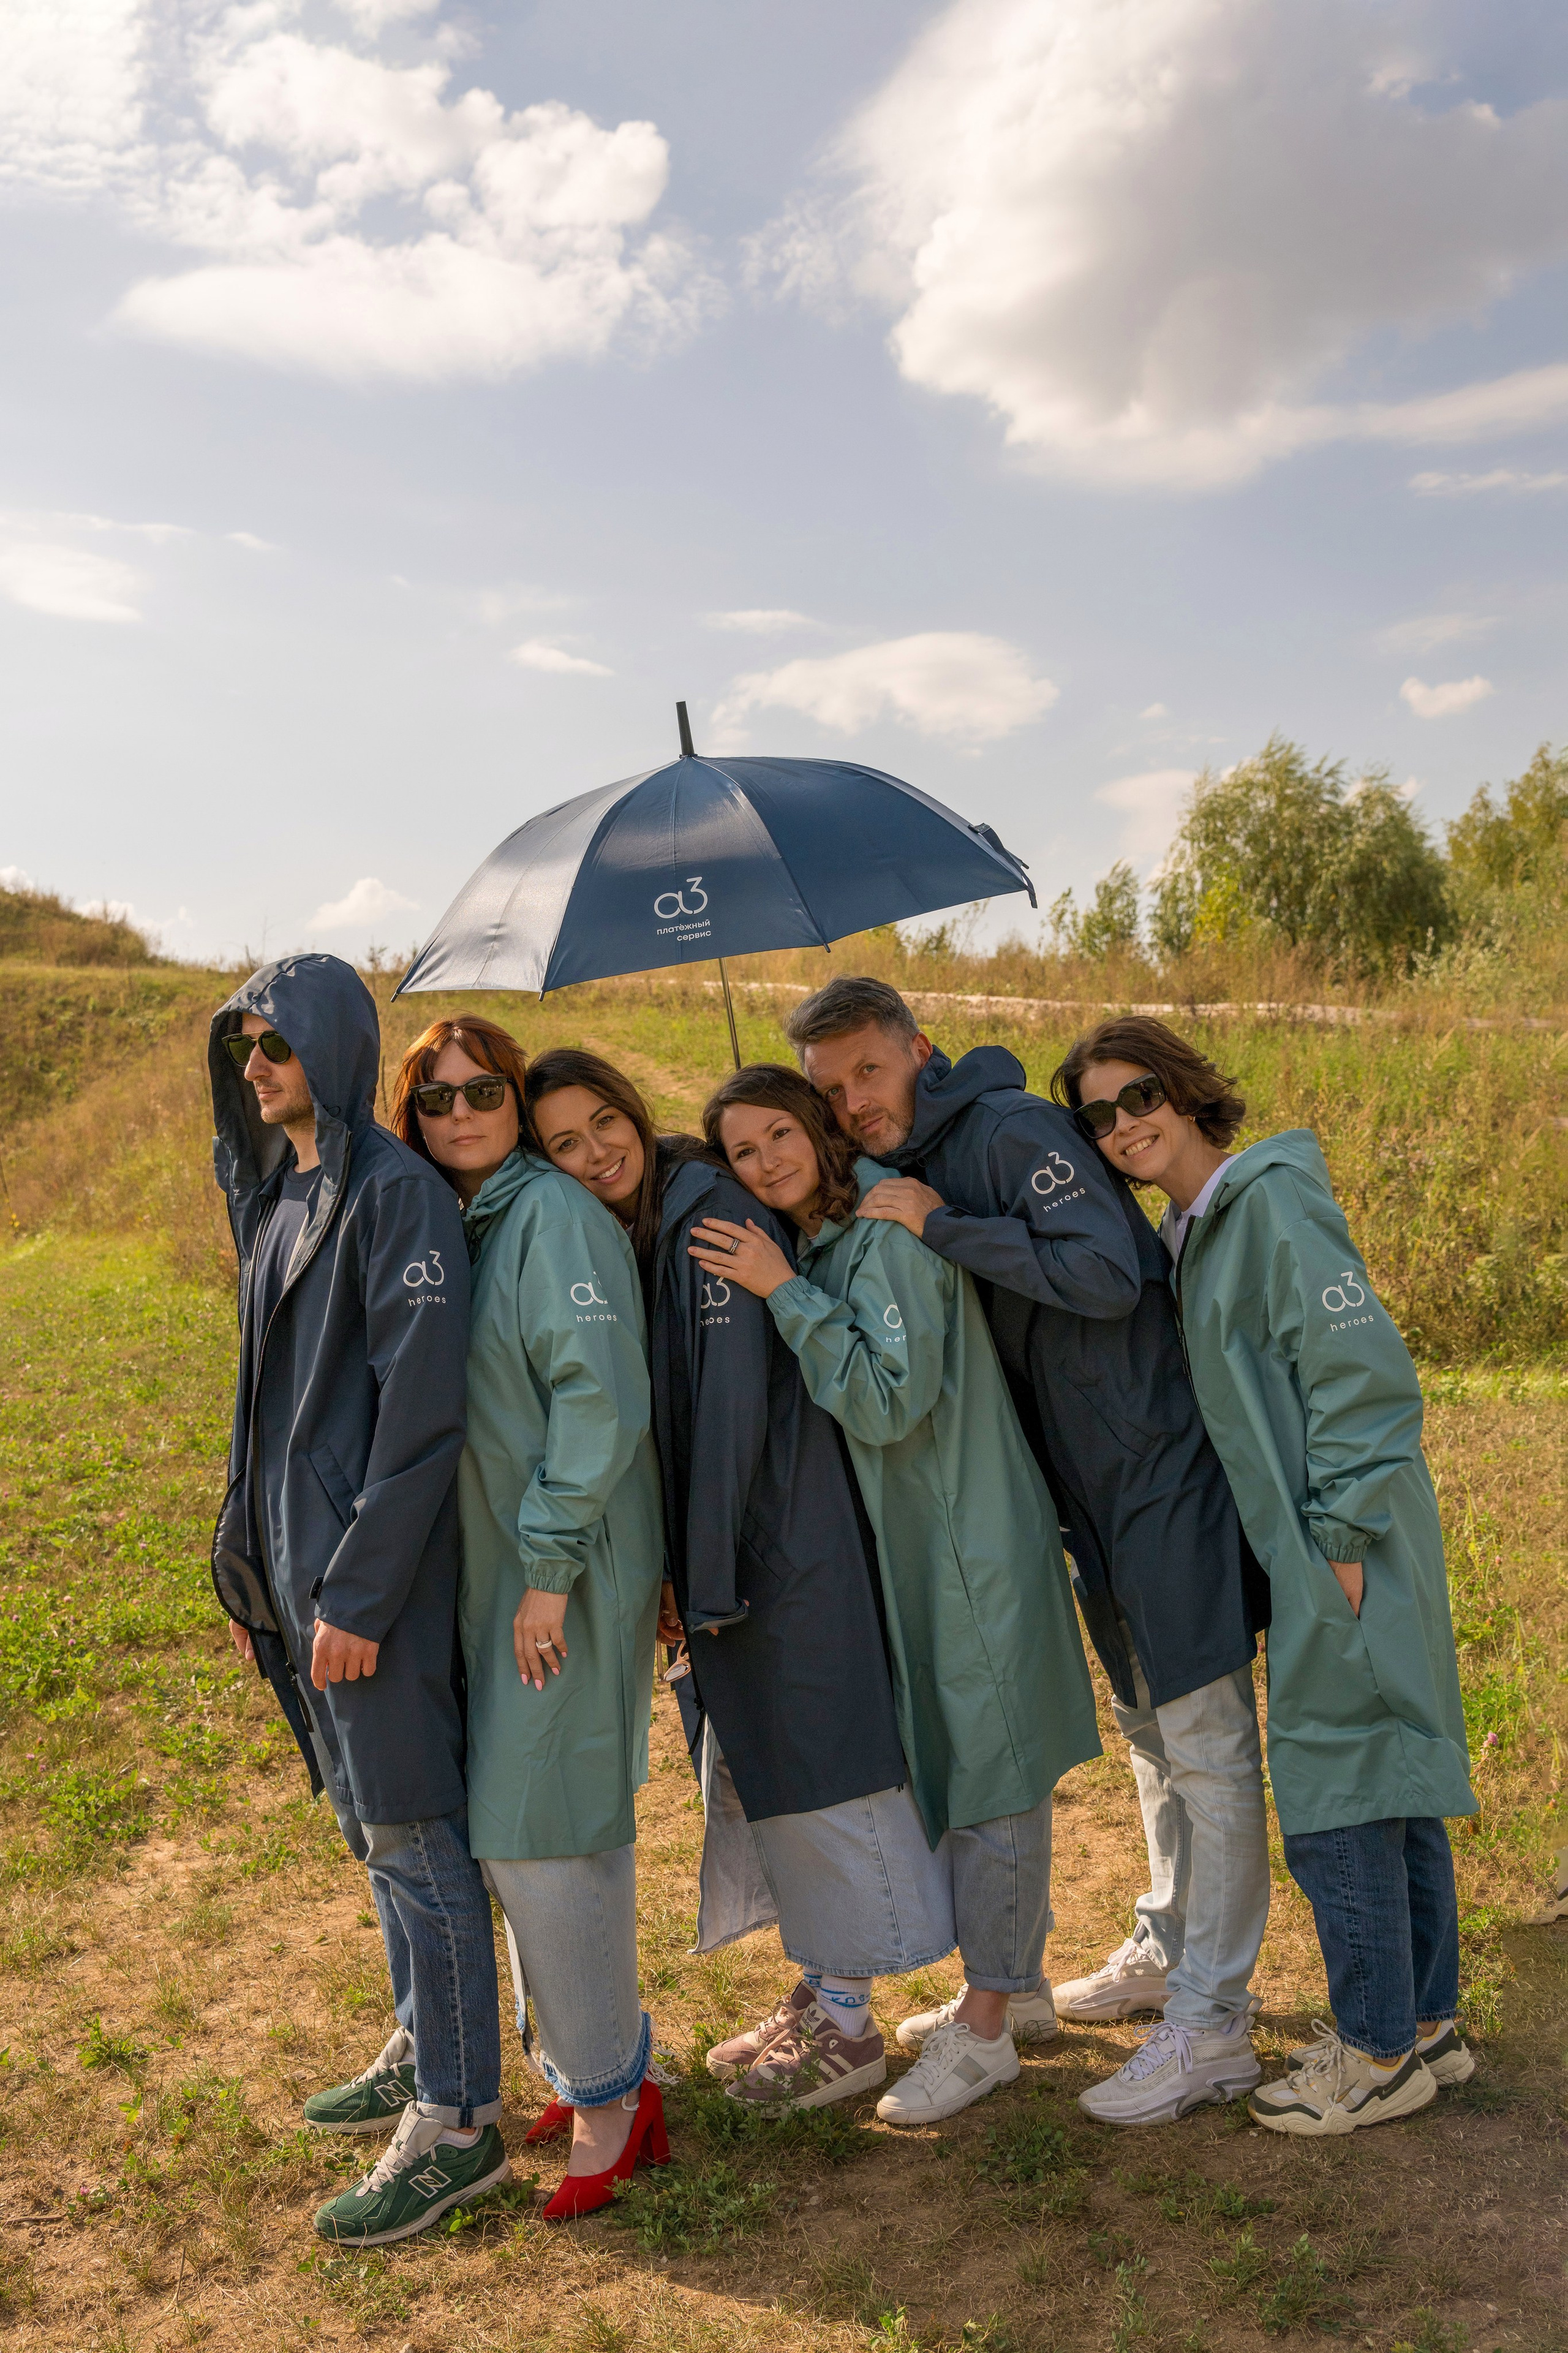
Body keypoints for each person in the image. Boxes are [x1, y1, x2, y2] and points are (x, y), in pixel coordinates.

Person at [787, 975, 1273, 2126]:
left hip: (1155, 1474)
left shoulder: (1004, 1131)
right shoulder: (928, 1155)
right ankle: (1165, 1945)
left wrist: (940, 1223)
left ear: (917, 1046)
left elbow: (1110, 1274)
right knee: (1153, 1733)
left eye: (868, 1068)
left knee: (1206, 1744)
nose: (854, 1101)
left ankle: (1213, 2021)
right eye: (831, 1086)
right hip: (1084, 1494)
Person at [1057, 1015, 1477, 2136]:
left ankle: (1376, 2051)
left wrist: (1337, 1538)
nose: (1122, 1125)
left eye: (1137, 1096)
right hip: (1309, 1542)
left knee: (1336, 1796)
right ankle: (1430, 2024)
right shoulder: (1196, 1227)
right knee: (1385, 1775)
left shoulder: (1270, 1201)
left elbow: (1363, 1374)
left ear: (1187, 1092)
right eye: (1096, 1117)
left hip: (1342, 1539)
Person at [525, 1048, 953, 2115]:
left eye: (602, 1123)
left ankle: (852, 2026)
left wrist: (697, 1573)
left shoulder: (709, 1207)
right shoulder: (659, 1215)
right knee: (776, 1769)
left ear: (634, 1106)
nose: (593, 1153)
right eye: (563, 1144)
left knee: (823, 1766)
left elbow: (727, 1411)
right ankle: (826, 1980)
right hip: (742, 1551)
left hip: (776, 1545)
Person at [690, 1063, 1101, 2128]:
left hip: (971, 1548)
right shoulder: (834, 1240)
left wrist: (784, 1293)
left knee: (997, 1778)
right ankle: (1016, 1988)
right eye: (742, 1151)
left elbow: (887, 1399)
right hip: (922, 1552)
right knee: (964, 1768)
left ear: (822, 1130)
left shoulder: (880, 1237)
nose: (766, 1161)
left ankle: (988, 2030)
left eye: (780, 1133)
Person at [208, 955, 507, 2245]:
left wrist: (362, 1591)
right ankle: (414, 2037)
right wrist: (249, 1566)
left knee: (416, 1838)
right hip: (299, 1572)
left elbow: (419, 1416)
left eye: (274, 1044)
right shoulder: (285, 1195)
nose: (257, 1069)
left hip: (369, 1586)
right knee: (365, 1828)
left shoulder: (394, 1199)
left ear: (327, 1043)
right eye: (243, 1052)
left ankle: (459, 2122)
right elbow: (265, 1408)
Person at [391, 1018, 669, 2217]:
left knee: (538, 1833)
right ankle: (592, 2065)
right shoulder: (477, 1221)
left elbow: (598, 1399)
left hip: (563, 1572)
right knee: (540, 1827)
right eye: (435, 1097)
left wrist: (548, 1569)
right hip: (508, 1575)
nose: (460, 1110)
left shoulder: (547, 1217)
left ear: (512, 1096)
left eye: (482, 1089)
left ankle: (611, 2098)